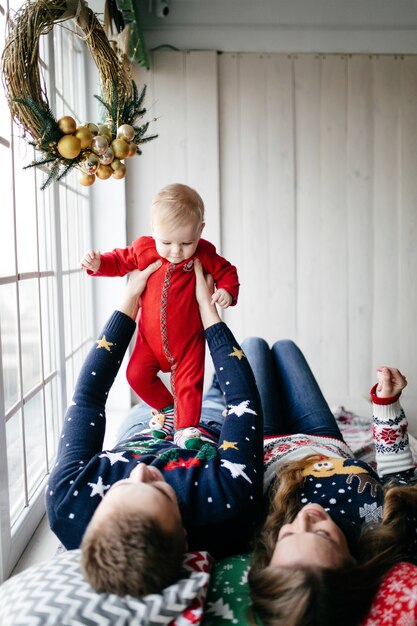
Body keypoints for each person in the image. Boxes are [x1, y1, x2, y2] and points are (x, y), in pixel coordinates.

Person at [45, 259, 263, 598]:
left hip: (145, 425)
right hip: (205, 428)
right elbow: (243, 401)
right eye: (162, 491)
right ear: (185, 535)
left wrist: (129, 303)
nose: (142, 471)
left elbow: (88, 398)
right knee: (256, 350)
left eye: (119, 487)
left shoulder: (68, 502)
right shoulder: (228, 505)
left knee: (229, 363)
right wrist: (207, 309)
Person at [203, 338, 417, 625]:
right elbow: (399, 477)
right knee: (285, 348)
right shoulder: (383, 529)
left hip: (263, 436)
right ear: (352, 564)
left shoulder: (249, 530)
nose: (306, 519)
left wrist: (232, 424)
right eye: (322, 535)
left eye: (288, 536)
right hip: (323, 435)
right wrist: (387, 405)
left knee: (253, 345)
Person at [80, 183, 239, 450]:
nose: (176, 251)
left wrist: (226, 291)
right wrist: (98, 264)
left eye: (186, 243)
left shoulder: (204, 253)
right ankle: (167, 409)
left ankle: (186, 428)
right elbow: (119, 261)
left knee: (190, 386)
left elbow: (227, 271)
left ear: (200, 230)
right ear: (153, 229)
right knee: (136, 375)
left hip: (188, 343)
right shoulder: (144, 248)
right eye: (166, 242)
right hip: (148, 342)